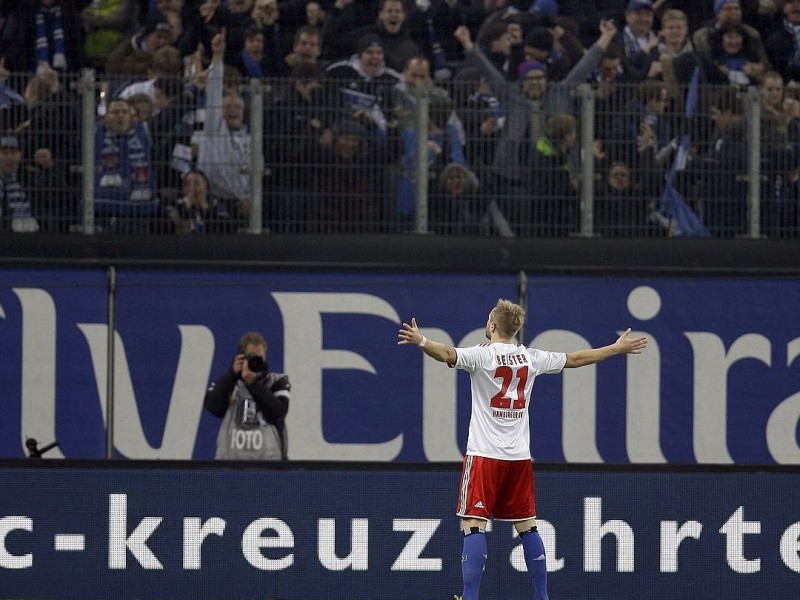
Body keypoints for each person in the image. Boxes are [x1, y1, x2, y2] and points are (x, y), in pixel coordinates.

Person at [397, 299, 647, 600]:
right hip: (518, 457)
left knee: (473, 524)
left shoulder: (482, 356)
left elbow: (447, 353)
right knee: (527, 525)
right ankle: (541, 597)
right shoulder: (531, 358)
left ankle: (470, 596)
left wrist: (420, 339)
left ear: (491, 326)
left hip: (485, 454)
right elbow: (576, 358)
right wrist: (616, 348)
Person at [204, 331, 291, 460]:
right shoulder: (229, 383)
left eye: (260, 358)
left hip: (270, 465)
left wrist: (253, 384)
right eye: (252, 358)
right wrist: (231, 376)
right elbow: (214, 408)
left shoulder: (277, 381)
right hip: (230, 466)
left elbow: (277, 413)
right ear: (241, 358)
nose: (256, 362)